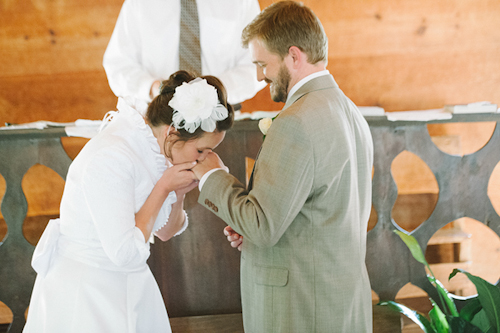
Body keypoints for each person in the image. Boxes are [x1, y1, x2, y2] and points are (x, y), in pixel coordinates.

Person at [192, 1, 374, 332]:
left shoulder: (297, 122)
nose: (260, 75)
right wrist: (251, 230)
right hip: (338, 301)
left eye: (263, 63)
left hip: (301, 309)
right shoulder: (349, 111)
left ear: (293, 56)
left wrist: (212, 176)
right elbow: (320, 213)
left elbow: (262, 225)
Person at [23, 71, 234, 333]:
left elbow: (165, 232)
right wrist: (164, 187)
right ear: (172, 132)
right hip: (89, 289)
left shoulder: (157, 150)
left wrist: (178, 194)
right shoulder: (113, 155)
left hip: (128, 282)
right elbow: (125, 252)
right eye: (200, 150)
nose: (202, 158)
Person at [103, 0, 266, 107]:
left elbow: (257, 64)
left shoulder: (241, 2)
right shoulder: (140, 3)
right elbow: (119, 64)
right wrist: (154, 89)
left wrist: (211, 92)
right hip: (155, 121)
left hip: (220, 123)